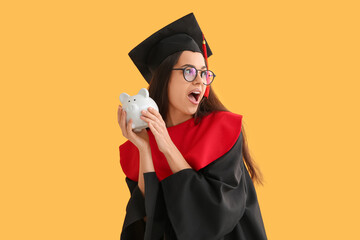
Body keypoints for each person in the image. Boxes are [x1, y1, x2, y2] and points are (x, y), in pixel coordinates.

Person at [117, 13, 268, 240]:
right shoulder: (137, 147)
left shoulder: (221, 130)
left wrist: (166, 145)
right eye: (188, 71)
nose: (199, 81)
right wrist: (146, 150)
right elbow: (149, 224)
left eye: (204, 73)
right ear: (164, 78)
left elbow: (214, 217)